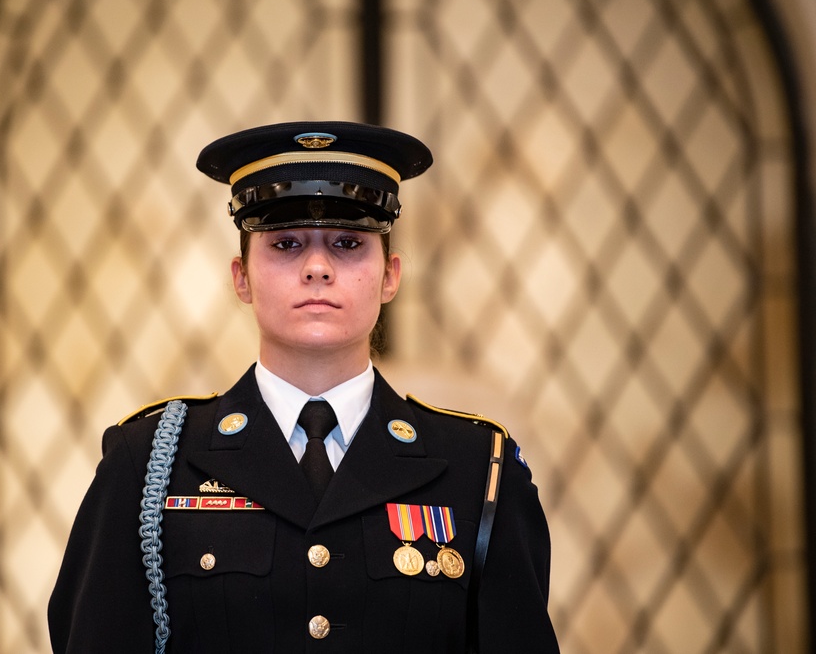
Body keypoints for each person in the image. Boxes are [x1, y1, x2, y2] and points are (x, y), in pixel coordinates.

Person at [48, 121, 559, 653]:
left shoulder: (478, 469)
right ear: (241, 276)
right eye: (286, 244)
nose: (317, 267)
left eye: (347, 243)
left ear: (391, 275)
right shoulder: (148, 465)